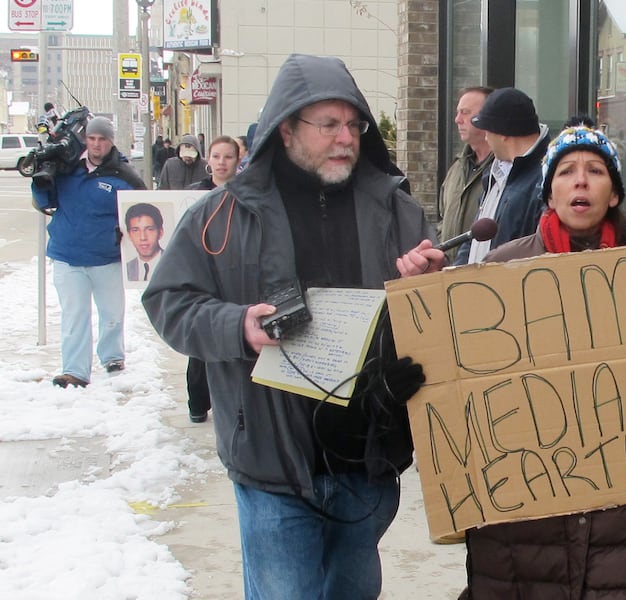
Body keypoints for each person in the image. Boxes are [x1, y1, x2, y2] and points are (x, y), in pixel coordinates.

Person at [142, 53, 434, 599]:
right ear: (287, 128)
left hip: (365, 458)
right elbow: (168, 302)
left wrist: (428, 285)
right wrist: (236, 327)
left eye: (354, 125)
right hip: (273, 459)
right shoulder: (219, 216)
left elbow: (434, 323)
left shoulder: (397, 212)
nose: (345, 137)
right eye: (328, 125)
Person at [446, 124, 626, 599]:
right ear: (549, 194)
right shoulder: (498, 274)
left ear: (614, 194)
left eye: (595, 170)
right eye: (566, 171)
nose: (580, 181)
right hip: (518, 537)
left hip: (613, 532)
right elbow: (457, 386)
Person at [32, 116, 146, 388]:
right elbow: (45, 202)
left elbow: (144, 210)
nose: (96, 144)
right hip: (68, 256)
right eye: (92, 138)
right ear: (86, 140)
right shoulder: (68, 170)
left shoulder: (124, 176)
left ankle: (112, 356)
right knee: (74, 315)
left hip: (107, 258)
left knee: (111, 313)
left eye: (102, 139)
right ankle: (74, 370)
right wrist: (39, 181)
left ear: (111, 141)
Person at [453, 87, 551, 265]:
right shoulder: (495, 173)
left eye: (488, 130)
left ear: (503, 133)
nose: (487, 138)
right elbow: (474, 241)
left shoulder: (546, 179)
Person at [183, 135, 242, 424]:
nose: (221, 163)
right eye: (216, 156)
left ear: (237, 159)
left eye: (228, 157)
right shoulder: (195, 193)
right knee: (201, 342)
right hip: (203, 273)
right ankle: (198, 403)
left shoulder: (246, 193)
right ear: (208, 159)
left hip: (233, 273)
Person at [437, 86, 494, 264]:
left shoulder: (504, 173)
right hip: (448, 277)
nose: (457, 120)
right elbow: (442, 221)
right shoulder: (456, 169)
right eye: (457, 113)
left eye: (465, 113)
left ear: (487, 117)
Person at [124, 202, 164, 282]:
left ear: (160, 232)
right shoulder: (126, 269)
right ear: (129, 235)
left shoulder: (175, 263)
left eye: (149, 229)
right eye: (135, 230)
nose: (143, 237)